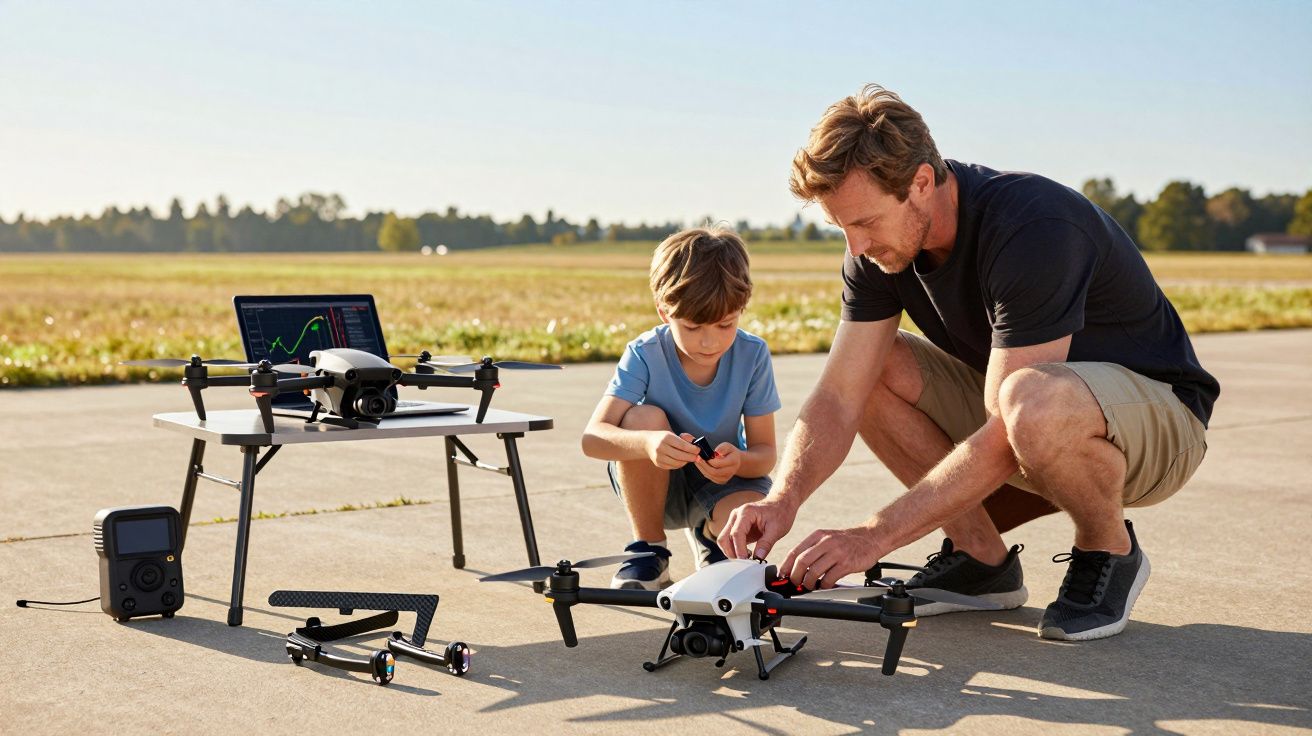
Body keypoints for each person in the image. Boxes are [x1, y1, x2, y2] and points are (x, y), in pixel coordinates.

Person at [717, 84, 1219, 640]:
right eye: (842, 228)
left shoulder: (1033, 225)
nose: (855, 247)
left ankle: (1108, 548)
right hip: (1035, 418)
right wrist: (783, 499)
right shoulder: (878, 253)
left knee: (1030, 398)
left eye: (865, 223)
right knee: (875, 370)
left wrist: (875, 535)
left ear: (922, 182)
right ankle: (981, 560)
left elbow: (1008, 429)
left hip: (1161, 425)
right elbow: (838, 396)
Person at [582, 226, 781, 590]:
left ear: (742, 309)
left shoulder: (752, 354)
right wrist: (647, 444)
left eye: (726, 324)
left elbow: (765, 454)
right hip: (657, 484)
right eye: (692, 327)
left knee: (758, 516)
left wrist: (738, 460)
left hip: (724, 480)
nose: (709, 342)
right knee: (643, 418)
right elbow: (593, 438)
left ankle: (711, 537)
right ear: (664, 312)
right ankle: (649, 551)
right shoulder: (644, 353)